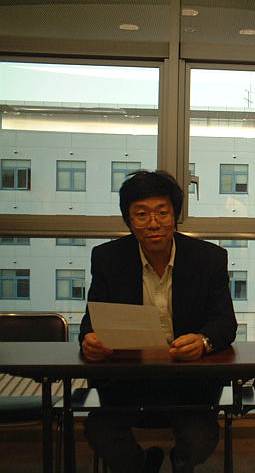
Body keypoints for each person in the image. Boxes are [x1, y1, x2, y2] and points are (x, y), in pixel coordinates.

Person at [79, 170, 237, 473]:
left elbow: (224, 323)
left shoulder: (208, 259)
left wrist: (203, 342)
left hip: (189, 383)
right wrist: (90, 341)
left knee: (200, 440)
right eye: (141, 214)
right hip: (126, 382)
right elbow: (91, 323)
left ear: (175, 216)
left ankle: (180, 462)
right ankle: (141, 465)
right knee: (101, 432)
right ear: (128, 220)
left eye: (162, 213)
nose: (153, 223)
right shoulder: (108, 258)